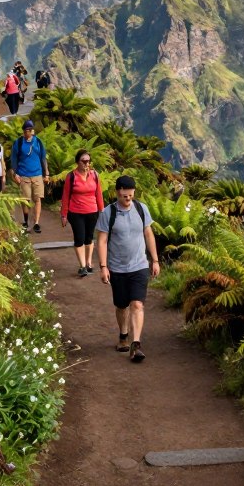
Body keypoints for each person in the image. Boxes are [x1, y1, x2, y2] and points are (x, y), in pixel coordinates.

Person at [95, 175, 159, 363]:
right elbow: (102, 240)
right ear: (117, 193)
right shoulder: (108, 213)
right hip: (117, 267)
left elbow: (148, 233)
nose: (128, 199)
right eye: (125, 196)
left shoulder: (141, 209)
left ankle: (135, 344)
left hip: (139, 265)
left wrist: (154, 260)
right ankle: (123, 336)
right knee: (122, 305)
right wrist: (103, 266)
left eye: (131, 196)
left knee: (137, 304)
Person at [61, 149, 105, 278]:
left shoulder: (95, 175)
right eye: (84, 161)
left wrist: (102, 211)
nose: (86, 164)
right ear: (77, 162)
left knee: (89, 238)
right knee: (79, 238)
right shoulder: (71, 176)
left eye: (88, 161)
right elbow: (65, 196)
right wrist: (64, 214)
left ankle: (89, 263)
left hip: (92, 211)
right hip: (76, 212)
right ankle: (82, 266)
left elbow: (99, 194)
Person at [10, 119, 49, 232]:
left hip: (37, 174)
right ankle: (26, 221)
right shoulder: (19, 142)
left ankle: (36, 223)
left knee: (37, 199)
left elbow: (43, 158)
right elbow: (14, 158)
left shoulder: (38, 142)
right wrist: (15, 173)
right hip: (24, 175)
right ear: (24, 131)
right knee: (25, 200)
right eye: (27, 130)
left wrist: (46, 173)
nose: (29, 132)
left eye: (31, 130)